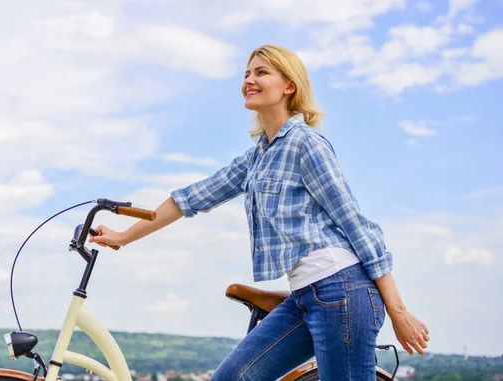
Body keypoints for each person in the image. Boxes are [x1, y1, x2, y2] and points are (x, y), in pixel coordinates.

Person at [89, 44, 430, 381]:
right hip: (305, 297)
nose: (249, 79)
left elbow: (357, 226)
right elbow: (190, 198)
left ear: (289, 86)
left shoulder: (305, 143)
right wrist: (122, 237)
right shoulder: (257, 158)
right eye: (247, 73)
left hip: (341, 291)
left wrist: (398, 311)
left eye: (261, 72)